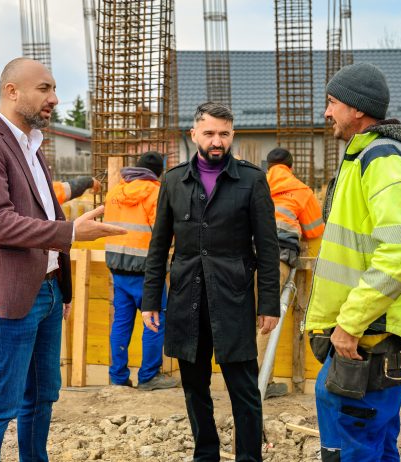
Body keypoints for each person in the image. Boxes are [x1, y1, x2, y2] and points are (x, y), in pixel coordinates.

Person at [0, 57, 126, 461]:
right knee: (0, 405)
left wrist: (59, 287)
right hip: (7, 298)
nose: (55, 98)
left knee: (42, 396)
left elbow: (42, 214)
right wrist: (71, 233)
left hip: (46, 293)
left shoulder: (31, 146)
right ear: (12, 91)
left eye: (54, 89)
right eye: (44, 89)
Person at [305, 62, 401, 461]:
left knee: (352, 447)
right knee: (373, 445)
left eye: (332, 102)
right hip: (365, 337)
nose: (326, 112)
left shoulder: (382, 159)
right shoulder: (366, 157)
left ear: (357, 108)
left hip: (366, 338)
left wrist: (349, 323)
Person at [141, 102, 281, 461]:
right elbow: (159, 245)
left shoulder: (251, 180)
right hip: (186, 299)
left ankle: (248, 457)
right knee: (194, 386)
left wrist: (269, 303)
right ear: (194, 135)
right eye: (209, 133)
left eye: (224, 133)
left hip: (233, 299)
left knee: (244, 388)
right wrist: (150, 299)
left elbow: (268, 248)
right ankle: (206, 455)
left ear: (232, 135)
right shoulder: (173, 181)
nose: (217, 141)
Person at [0, 175, 103, 382]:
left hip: (17, 272)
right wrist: (89, 183)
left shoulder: (31, 187)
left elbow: (66, 189)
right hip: (12, 272)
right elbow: (1, 224)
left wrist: (87, 182)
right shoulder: (19, 192)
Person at [104, 151, 179, 390]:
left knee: (121, 322)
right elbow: (163, 231)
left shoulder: (115, 192)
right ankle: (148, 376)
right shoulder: (157, 192)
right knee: (154, 320)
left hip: (118, 268)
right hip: (147, 271)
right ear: (158, 173)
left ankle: (118, 377)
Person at [256, 147, 324, 398]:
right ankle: (260, 383)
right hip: (277, 258)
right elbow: (315, 229)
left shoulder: (254, 184)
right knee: (267, 319)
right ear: (291, 167)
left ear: (268, 166)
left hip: (244, 257)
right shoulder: (300, 190)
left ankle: (242, 383)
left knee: (245, 317)